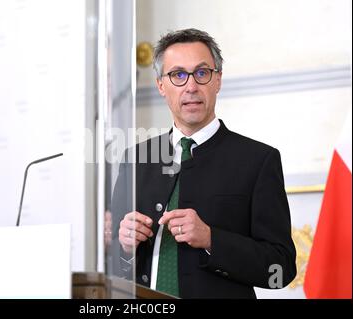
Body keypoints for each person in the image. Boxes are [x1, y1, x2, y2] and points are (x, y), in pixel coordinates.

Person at [111, 28, 296, 298]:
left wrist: (212, 239)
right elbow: (110, 265)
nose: (191, 86)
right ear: (161, 85)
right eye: (178, 75)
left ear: (217, 80)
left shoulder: (258, 160)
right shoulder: (134, 158)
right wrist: (125, 249)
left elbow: (280, 269)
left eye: (201, 73)